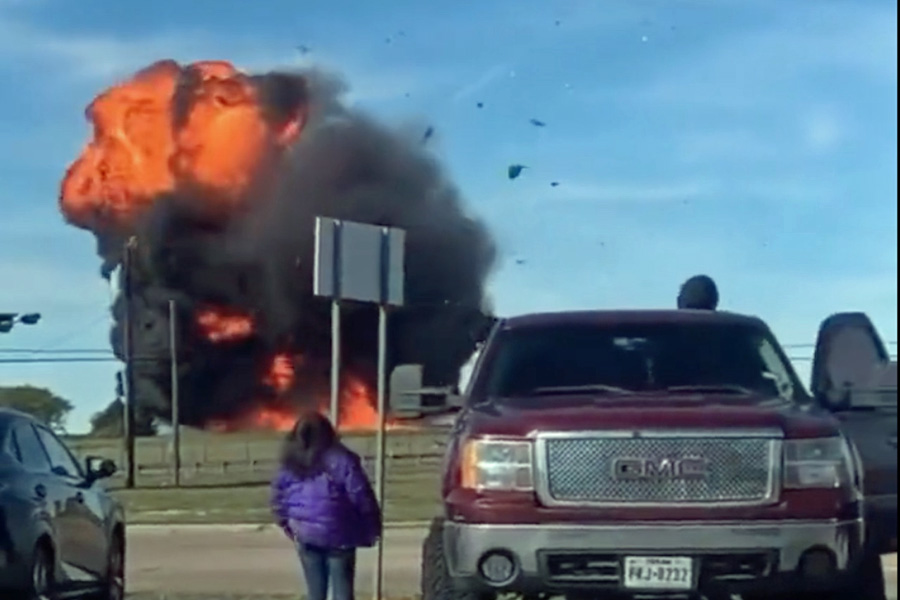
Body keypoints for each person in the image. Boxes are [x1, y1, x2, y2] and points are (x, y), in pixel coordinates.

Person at [270, 411, 382, 600]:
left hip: (306, 533)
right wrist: (371, 525)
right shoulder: (342, 459)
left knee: (315, 592)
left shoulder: (289, 463)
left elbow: (278, 497)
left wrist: (287, 524)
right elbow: (360, 495)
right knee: (343, 591)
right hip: (340, 532)